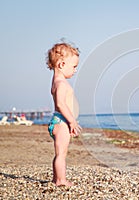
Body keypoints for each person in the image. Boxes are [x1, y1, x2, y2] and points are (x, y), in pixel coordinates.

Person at [46, 42, 82, 186]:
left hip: (59, 121)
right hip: (61, 122)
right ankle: (61, 180)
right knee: (61, 154)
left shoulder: (56, 81)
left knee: (60, 152)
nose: (75, 70)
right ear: (61, 64)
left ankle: (56, 178)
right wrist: (72, 121)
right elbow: (61, 104)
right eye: (73, 66)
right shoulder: (61, 83)